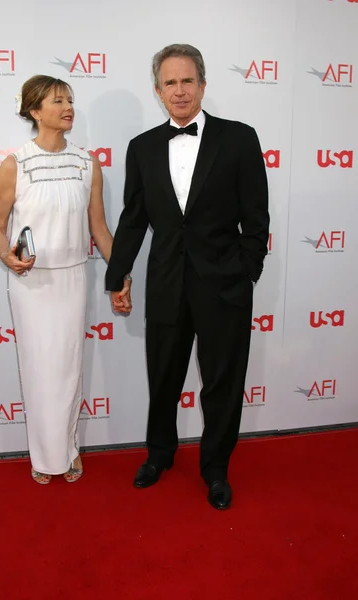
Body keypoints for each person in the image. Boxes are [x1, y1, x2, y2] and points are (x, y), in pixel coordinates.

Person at [105, 44, 269, 509]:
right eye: (170, 82)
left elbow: (256, 218)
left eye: (188, 80)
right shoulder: (142, 147)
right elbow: (134, 218)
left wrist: (246, 272)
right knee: (164, 376)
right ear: (158, 90)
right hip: (166, 282)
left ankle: (216, 468)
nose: (179, 90)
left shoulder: (238, 139)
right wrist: (119, 275)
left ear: (202, 84)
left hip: (224, 284)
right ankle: (160, 454)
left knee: (222, 381)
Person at [0, 75, 130, 484]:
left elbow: (100, 229)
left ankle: (68, 449)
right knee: (37, 367)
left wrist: (120, 273)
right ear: (35, 111)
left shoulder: (87, 162)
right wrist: (6, 256)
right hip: (30, 284)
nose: (68, 107)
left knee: (68, 367)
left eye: (70, 99)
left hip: (72, 278)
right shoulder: (15, 163)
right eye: (57, 101)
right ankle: (44, 455)